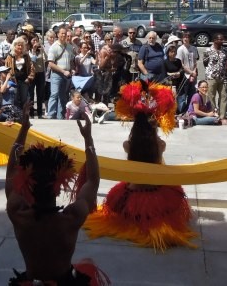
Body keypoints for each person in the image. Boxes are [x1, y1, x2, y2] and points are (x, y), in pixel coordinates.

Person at [83, 80, 196, 251]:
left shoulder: (127, 145)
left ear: (134, 128)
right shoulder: (161, 145)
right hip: (157, 193)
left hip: (132, 191)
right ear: (153, 128)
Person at [5, 104, 109, 285]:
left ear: (26, 182)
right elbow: (92, 181)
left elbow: (11, 171)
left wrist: (24, 129)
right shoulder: (72, 217)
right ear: (60, 185)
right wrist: (88, 140)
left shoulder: (17, 212)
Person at [47, 27, 75, 120]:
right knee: (54, 94)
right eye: (62, 33)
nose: (63, 35)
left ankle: (60, 116)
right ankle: (51, 115)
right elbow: (50, 63)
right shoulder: (54, 47)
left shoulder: (70, 47)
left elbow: (71, 60)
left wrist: (72, 69)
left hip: (66, 75)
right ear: (57, 35)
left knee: (63, 96)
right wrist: (63, 71)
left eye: (65, 33)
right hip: (56, 74)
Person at [203, 33, 227, 123]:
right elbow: (205, 64)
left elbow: (226, 63)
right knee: (211, 96)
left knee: (224, 96)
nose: (222, 41)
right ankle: (213, 114)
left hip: (223, 77)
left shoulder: (226, 51)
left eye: (222, 39)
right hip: (211, 77)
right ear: (214, 40)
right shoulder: (208, 50)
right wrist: (211, 71)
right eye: (220, 39)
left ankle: (222, 116)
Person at [4, 37, 35, 109]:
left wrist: (29, 78)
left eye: (22, 45)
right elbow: (6, 69)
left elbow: (32, 68)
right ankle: (16, 115)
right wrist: (10, 78)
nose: (20, 47)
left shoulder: (26, 56)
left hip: (24, 81)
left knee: (24, 99)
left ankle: (24, 115)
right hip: (14, 81)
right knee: (15, 99)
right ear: (14, 46)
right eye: (18, 45)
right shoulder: (10, 56)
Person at [28, 35, 47, 119]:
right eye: (33, 41)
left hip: (41, 73)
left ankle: (39, 113)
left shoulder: (41, 50)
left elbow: (46, 59)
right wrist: (34, 51)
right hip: (32, 74)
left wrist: (43, 51)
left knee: (40, 94)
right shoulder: (29, 51)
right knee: (31, 94)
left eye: (36, 40)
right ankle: (31, 113)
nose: (35, 42)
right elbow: (33, 60)